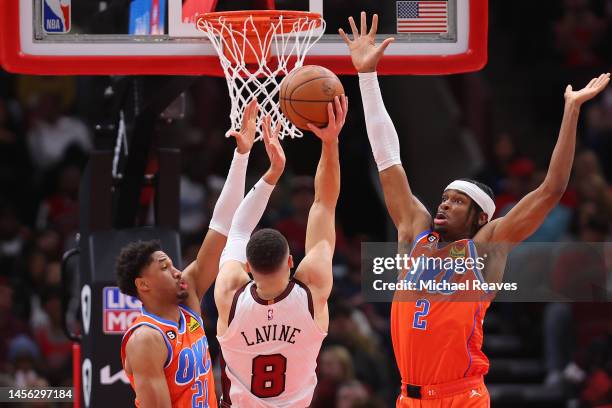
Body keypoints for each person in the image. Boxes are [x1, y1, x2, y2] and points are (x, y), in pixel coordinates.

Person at [339, 11, 610, 407]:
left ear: (480, 217)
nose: (445, 203)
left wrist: (571, 112)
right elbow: (387, 159)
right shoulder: (415, 231)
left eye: (458, 200)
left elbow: (551, 189)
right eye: (445, 197)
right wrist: (366, 77)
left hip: (459, 397)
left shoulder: (484, 247)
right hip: (407, 398)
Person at [116, 100, 259, 407]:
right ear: (144, 284)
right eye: (165, 267)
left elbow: (220, 227)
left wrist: (242, 155)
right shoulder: (146, 339)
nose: (177, 270)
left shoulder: (188, 298)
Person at [215, 96, 347, 407]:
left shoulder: (229, 294)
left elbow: (236, 228)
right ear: (290, 261)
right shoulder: (313, 289)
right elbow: (324, 205)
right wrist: (330, 142)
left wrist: (270, 172)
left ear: (248, 266)